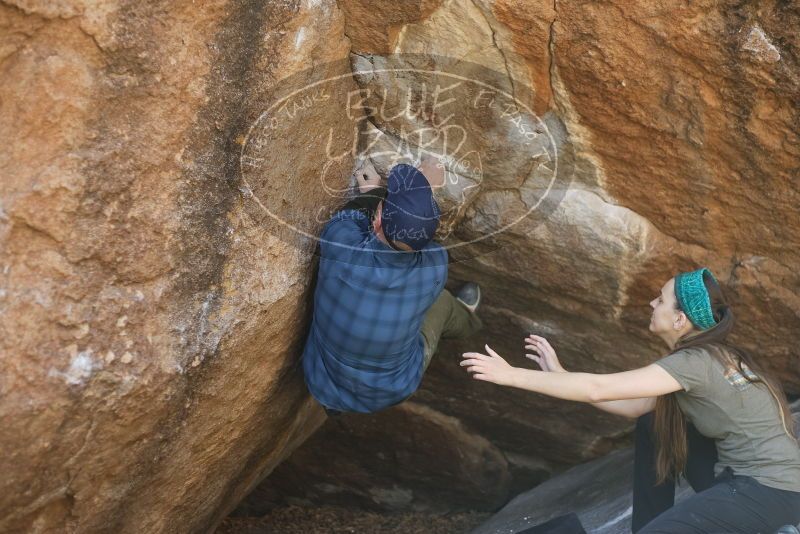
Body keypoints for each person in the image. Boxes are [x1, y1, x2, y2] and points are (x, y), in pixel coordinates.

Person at [461, 267, 800, 533]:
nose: (652, 304)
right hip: (758, 486)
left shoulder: (694, 363)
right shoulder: (717, 355)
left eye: (660, 299)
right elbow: (637, 406)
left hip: (768, 493)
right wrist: (559, 372)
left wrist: (510, 375)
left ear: (680, 320)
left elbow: (598, 388)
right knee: (654, 421)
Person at [302, 156, 483, 415]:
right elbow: (424, 242)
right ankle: (468, 320)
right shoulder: (435, 266)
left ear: (376, 218)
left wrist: (377, 192)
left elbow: (353, 212)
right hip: (392, 387)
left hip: (321, 379)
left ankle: (335, 404)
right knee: (441, 301)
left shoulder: (340, 243)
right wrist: (422, 197)